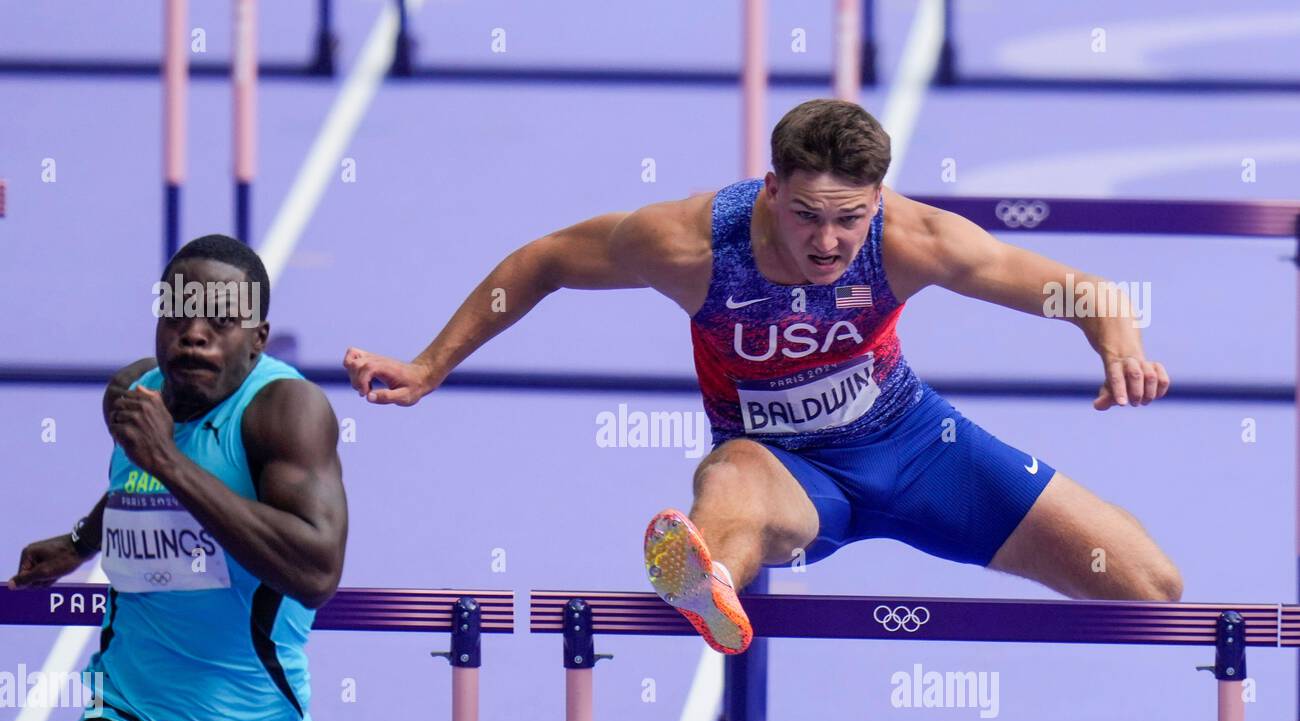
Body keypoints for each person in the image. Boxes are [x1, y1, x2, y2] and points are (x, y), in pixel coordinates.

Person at [342, 98, 1179, 656]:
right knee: (730, 489)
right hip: (782, 468)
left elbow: (1086, 293)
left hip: (919, 447)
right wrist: (428, 365)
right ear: (771, 191)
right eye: (807, 215)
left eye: (850, 219)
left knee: (1152, 591)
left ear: (877, 201)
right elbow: (544, 261)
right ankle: (705, 584)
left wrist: (1120, 344)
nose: (826, 242)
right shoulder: (688, 244)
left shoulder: (919, 239)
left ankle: (715, 573)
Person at [8, 235, 348, 721]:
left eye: (219, 319)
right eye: (178, 314)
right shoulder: (133, 397)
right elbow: (137, 489)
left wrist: (166, 460)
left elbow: (316, 570)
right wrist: (82, 540)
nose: (194, 334)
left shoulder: (287, 413)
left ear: (258, 337)